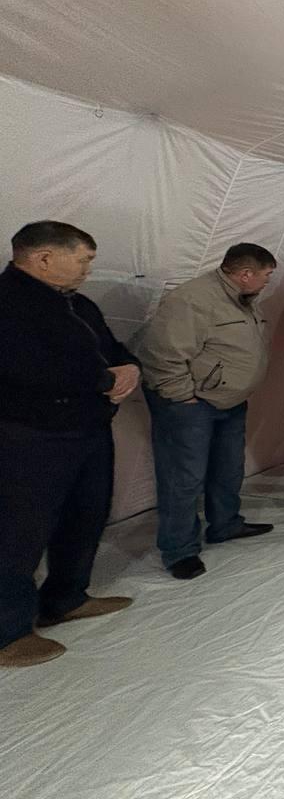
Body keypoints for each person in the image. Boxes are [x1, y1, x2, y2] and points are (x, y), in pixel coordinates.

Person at [0, 222, 138, 668]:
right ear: (43, 258)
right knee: (19, 532)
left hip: (88, 431)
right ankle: (8, 632)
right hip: (31, 437)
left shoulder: (79, 304)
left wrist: (130, 367)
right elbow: (28, 369)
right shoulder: (9, 303)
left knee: (87, 514)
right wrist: (104, 380)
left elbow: (113, 348)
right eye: (82, 260)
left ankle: (66, 597)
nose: (87, 270)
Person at [135, 243, 278, 580]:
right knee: (183, 478)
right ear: (245, 274)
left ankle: (225, 523)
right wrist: (183, 396)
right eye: (266, 276)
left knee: (228, 468)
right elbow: (161, 353)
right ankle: (179, 550)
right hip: (192, 405)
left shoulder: (242, 299)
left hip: (228, 402)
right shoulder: (192, 300)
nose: (267, 282)